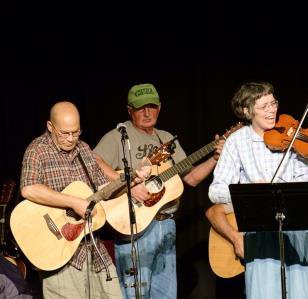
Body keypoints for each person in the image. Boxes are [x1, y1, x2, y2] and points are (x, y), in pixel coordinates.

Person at [207, 82, 308, 299]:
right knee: (266, 292)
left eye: (273, 103)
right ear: (247, 111)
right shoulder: (236, 142)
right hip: (261, 233)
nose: (272, 110)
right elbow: (216, 191)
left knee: (304, 291)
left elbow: (304, 182)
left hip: (297, 229)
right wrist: (248, 191)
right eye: (264, 106)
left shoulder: (292, 136)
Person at [93, 83, 224, 299]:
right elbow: (94, 160)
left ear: (160, 108)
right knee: (135, 293)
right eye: (140, 108)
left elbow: (190, 178)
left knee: (165, 294)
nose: (147, 113)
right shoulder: (119, 135)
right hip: (135, 225)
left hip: (166, 224)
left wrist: (215, 158)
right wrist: (127, 185)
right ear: (129, 110)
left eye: (151, 107)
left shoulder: (166, 138)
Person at [20, 101, 150, 298]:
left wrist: (131, 181)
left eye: (76, 132)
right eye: (64, 133)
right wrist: (72, 202)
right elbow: (29, 189)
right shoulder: (37, 150)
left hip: (92, 247)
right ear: (50, 127)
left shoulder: (84, 150)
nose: (71, 138)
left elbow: (104, 189)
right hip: (60, 250)